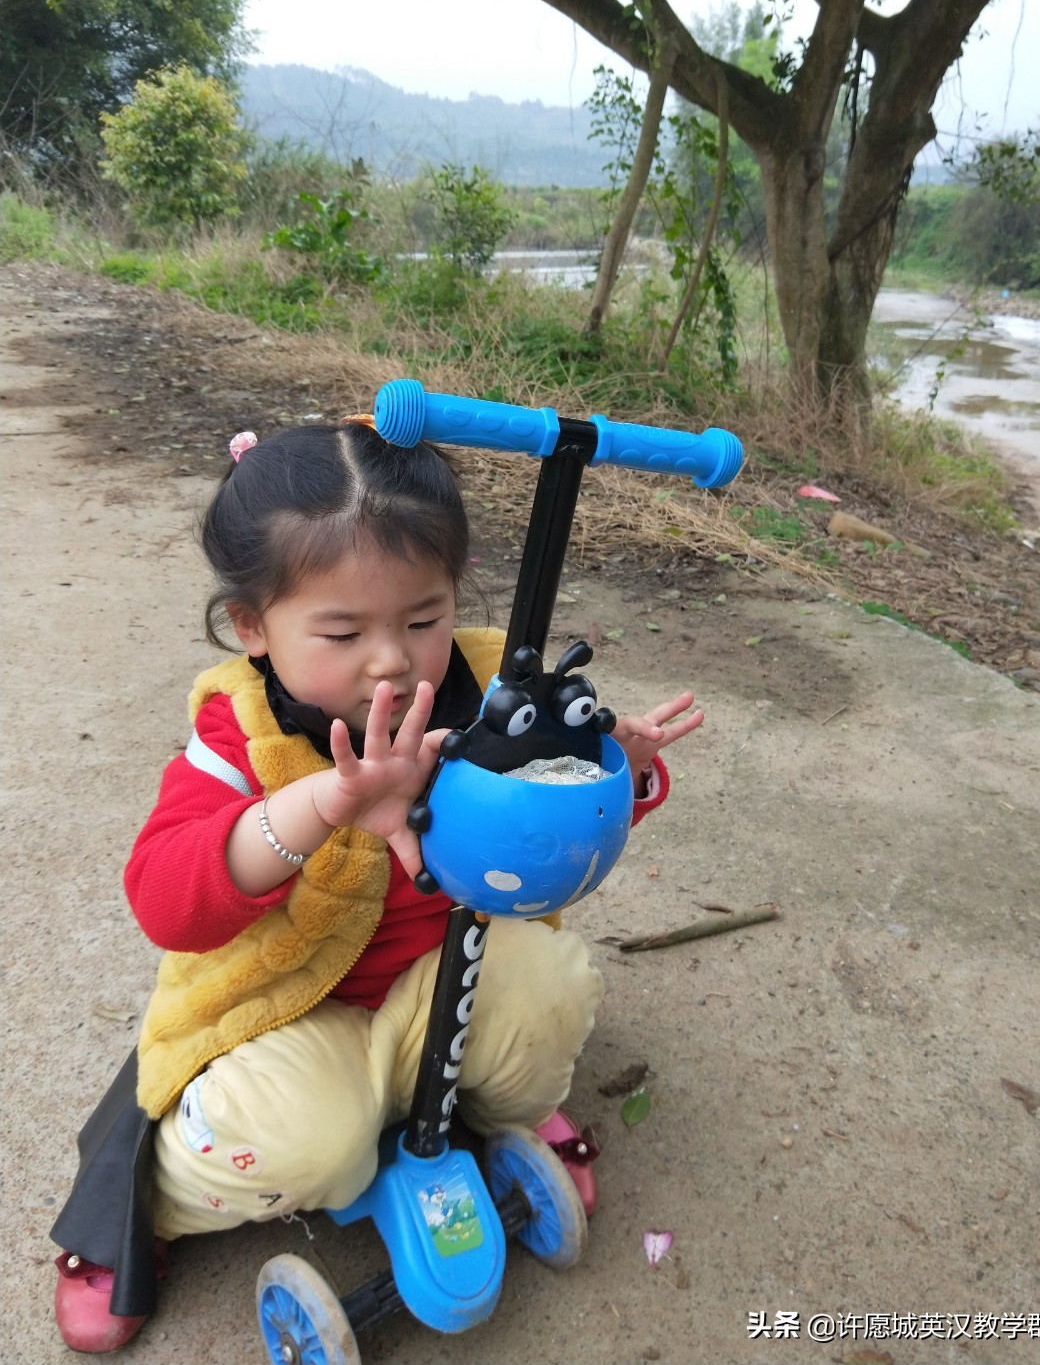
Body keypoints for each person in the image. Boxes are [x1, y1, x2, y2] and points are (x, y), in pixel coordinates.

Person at [51, 417, 704, 1353]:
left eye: (422, 619)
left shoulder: (487, 689)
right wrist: (319, 805)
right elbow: (165, 900)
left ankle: (496, 1105)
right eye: (344, 630)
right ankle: (157, 1204)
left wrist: (607, 770)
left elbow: (539, 832)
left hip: (444, 977)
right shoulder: (245, 737)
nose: (392, 658)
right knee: (310, 1140)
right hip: (288, 1015)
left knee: (548, 988)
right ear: (254, 628)